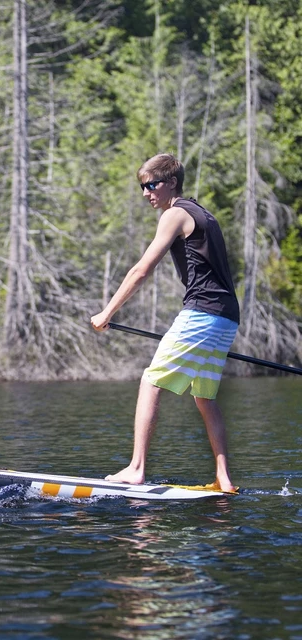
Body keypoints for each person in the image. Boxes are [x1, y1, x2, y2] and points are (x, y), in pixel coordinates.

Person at [90, 153, 240, 493]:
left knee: (151, 380)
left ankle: (136, 468)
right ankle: (224, 479)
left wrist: (107, 313)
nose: (146, 192)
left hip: (202, 313)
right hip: (226, 317)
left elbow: (141, 270)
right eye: (142, 186)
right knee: (205, 397)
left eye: (151, 184)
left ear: (172, 182)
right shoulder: (204, 214)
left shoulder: (175, 214)